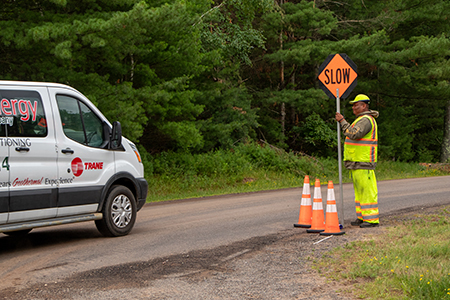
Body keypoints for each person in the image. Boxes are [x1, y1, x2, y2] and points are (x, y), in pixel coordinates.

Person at [335, 94, 380, 228]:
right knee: (360, 191)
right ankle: (362, 217)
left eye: (357, 105)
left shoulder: (366, 120)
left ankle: (371, 219)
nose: (354, 107)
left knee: (367, 191)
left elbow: (354, 134)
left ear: (364, 106)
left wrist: (342, 121)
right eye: (353, 105)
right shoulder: (360, 119)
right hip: (357, 162)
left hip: (364, 162)